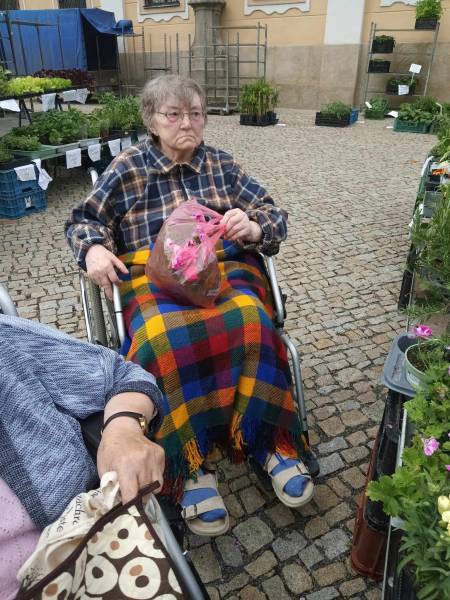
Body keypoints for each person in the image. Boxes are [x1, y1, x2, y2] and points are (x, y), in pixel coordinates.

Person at [65, 74, 314, 537]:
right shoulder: (129, 167)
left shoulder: (221, 165)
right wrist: (94, 249)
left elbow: (273, 214)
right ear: (151, 121)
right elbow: (83, 221)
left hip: (222, 270)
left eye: (195, 114)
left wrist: (253, 227)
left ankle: (267, 437)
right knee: (160, 337)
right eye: (174, 114)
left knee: (252, 319)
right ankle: (189, 460)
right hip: (153, 277)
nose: (187, 123)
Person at [0, 314, 164, 600]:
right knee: (157, 335)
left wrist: (123, 429)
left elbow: (120, 373)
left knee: (243, 315)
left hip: (90, 567)